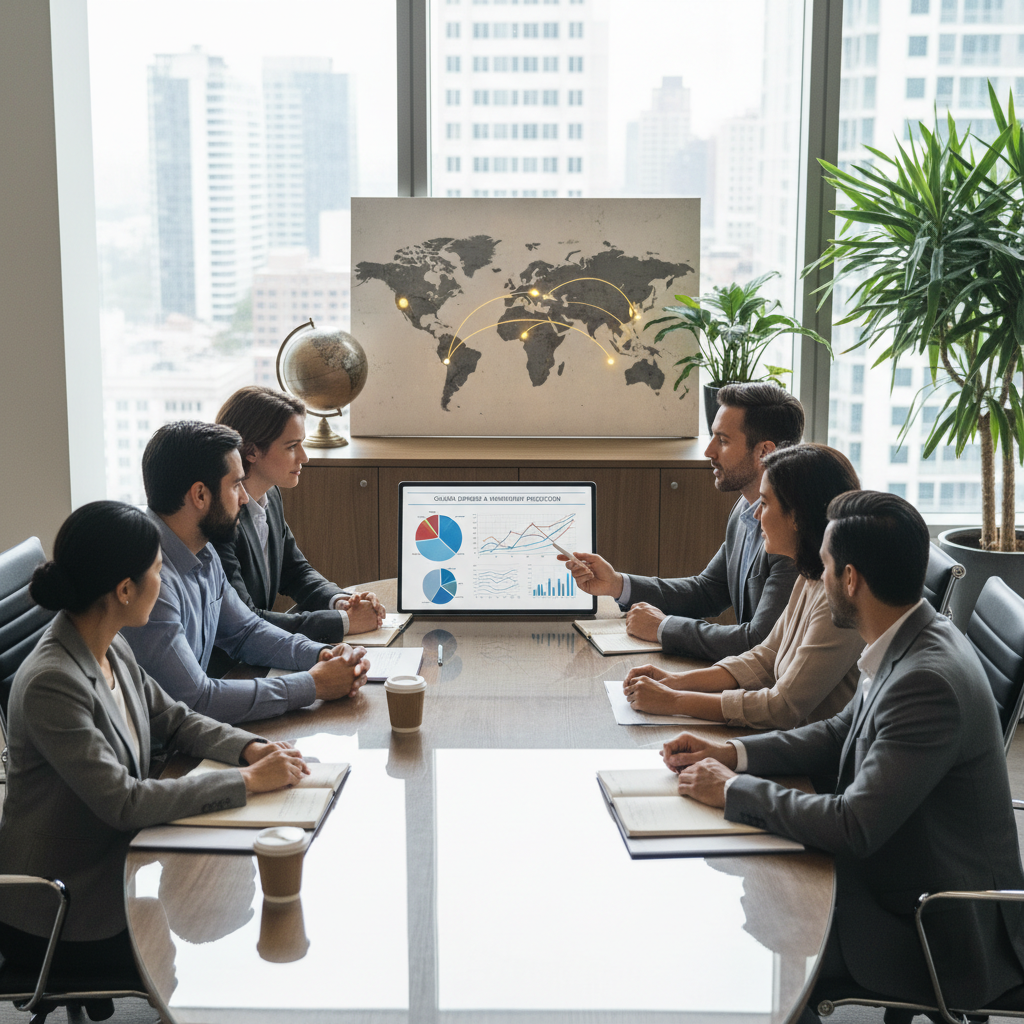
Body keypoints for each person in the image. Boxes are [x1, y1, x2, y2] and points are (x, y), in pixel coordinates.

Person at [662, 490, 1024, 1015]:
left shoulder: (926, 681)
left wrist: (733, 789)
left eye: (826, 567)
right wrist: (733, 753)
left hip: (939, 930)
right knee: (754, 887)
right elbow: (837, 733)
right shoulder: (911, 634)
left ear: (851, 579)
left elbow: (854, 826)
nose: (818, 578)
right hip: (906, 871)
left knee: (762, 934)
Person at [0, 501, 310, 991]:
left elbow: (177, 718)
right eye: (158, 572)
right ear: (125, 590)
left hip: (116, 862)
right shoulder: (51, 684)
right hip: (62, 910)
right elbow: (124, 802)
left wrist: (249, 748)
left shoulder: (109, 640)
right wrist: (248, 782)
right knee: (218, 955)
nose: (164, 584)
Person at [121, 421, 369, 725]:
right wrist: (314, 684)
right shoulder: (148, 580)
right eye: (236, 485)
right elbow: (197, 700)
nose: (243, 498)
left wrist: (321, 656)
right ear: (200, 495)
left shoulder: (203, 548)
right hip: (159, 758)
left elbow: (246, 631)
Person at [622, 444, 864, 729]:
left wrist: (674, 700)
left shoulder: (839, 596)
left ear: (797, 516)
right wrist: (675, 681)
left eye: (765, 503)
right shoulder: (810, 575)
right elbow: (765, 657)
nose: (757, 515)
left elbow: (781, 707)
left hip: (811, 765)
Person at [558, 382, 803, 660]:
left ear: (764, 451)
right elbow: (707, 591)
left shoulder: (793, 531)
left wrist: (664, 627)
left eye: (722, 441)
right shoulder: (745, 509)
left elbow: (759, 641)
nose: (709, 451)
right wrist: (616, 583)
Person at [213, 385, 383, 651]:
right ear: (252, 451)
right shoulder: (221, 517)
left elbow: (295, 572)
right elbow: (246, 621)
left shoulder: (272, 496)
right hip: (231, 665)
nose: (304, 457)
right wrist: (344, 622)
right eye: (292, 446)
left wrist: (341, 601)